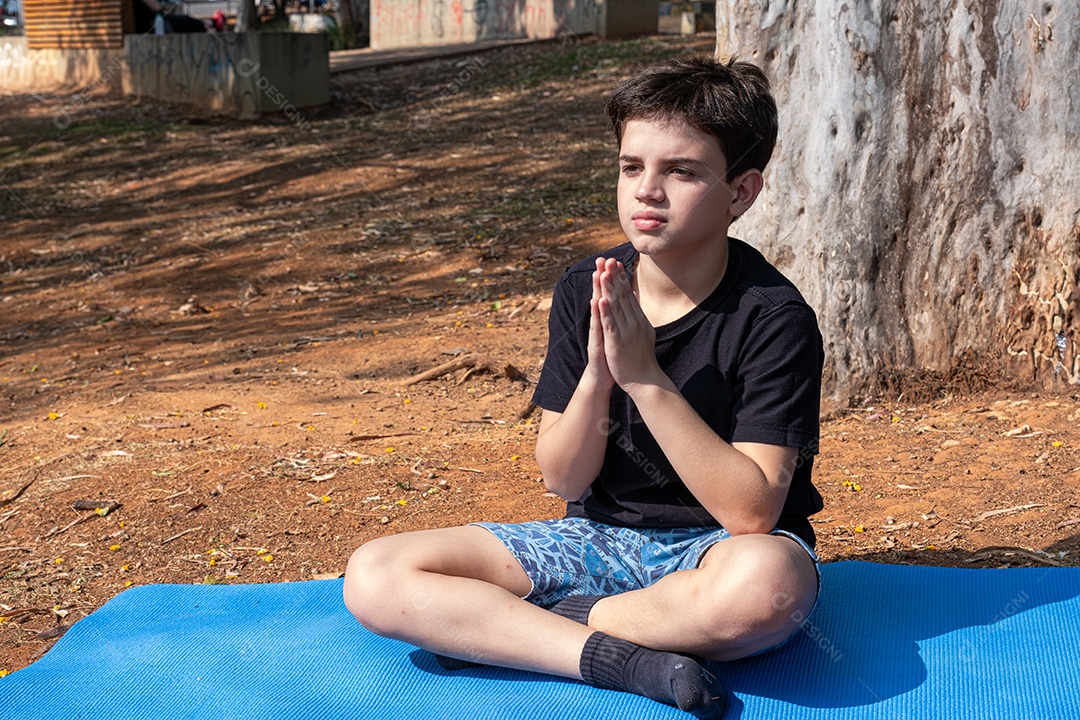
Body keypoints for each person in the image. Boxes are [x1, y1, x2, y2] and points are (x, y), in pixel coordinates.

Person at [343, 56, 824, 720]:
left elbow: (751, 514)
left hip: (722, 551)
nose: (647, 191)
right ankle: (617, 659)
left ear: (740, 193)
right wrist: (599, 373)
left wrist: (644, 377)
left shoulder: (774, 317)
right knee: (376, 576)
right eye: (632, 167)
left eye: (681, 171)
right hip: (599, 539)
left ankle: (518, 627)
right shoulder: (587, 288)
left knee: (767, 591)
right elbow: (565, 481)